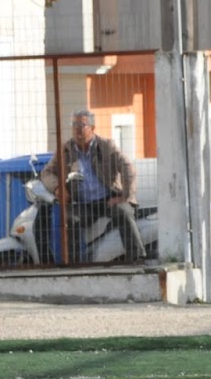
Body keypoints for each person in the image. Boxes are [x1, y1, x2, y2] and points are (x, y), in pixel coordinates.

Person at [41, 108, 148, 264]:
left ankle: (137, 258)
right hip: (83, 203)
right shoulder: (65, 150)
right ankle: (73, 264)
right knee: (69, 218)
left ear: (92, 128)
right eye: (74, 125)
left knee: (123, 212)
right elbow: (46, 172)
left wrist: (125, 195)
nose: (77, 129)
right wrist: (58, 188)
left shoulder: (106, 146)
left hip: (108, 199)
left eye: (81, 125)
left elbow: (128, 167)